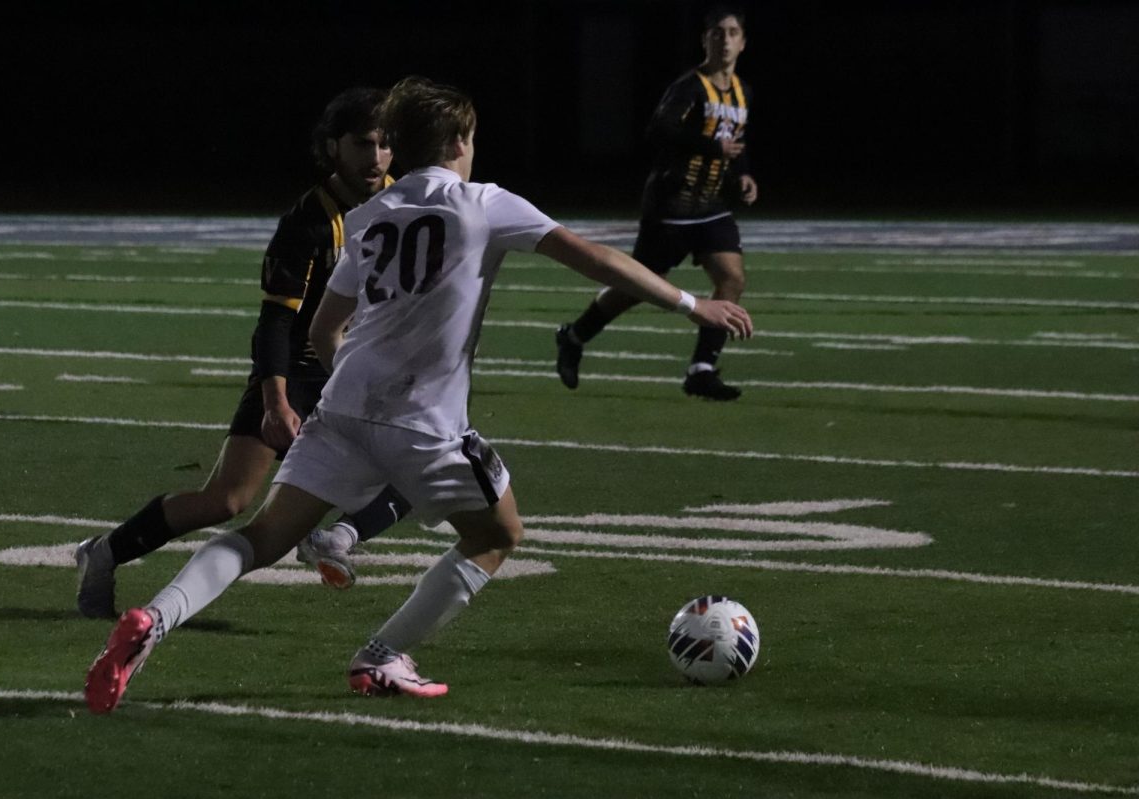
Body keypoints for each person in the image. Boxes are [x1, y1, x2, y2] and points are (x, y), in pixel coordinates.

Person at [83, 76, 753, 713]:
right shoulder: (484, 202)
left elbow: (323, 328)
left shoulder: (372, 212)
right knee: (496, 534)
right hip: (425, 422)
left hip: (342, 406)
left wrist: (365, 387)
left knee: (260, 535)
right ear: (459, 142)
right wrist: (693, 304)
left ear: (397, 147)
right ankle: (381, 655)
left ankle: (155, 617)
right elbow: (599, 258)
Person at [75, 87, 409, 619]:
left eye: (386, 144)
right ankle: (105, 552)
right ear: (331, 147)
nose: (376, 157)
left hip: (359, 367)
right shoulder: (308, 220)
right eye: (363, 144)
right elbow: (276, 320)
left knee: (424, 454)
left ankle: (338, 538)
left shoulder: (409, 204)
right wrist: (276, 399)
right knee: (227, 501)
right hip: (298, 371)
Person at [556, 4, 758, 401]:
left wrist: (745, 173)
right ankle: (575, 336)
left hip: (712, 205)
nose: (725, 40)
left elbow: (734, 142)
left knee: (731, 277)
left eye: (733, 33)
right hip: (672, 206)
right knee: (636, 287)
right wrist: (711, 146)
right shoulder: (690, 86)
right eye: (717, 32)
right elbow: (660, 130)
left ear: (743, 42)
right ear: (705, 39)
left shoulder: (743, 92)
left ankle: (701, 369)